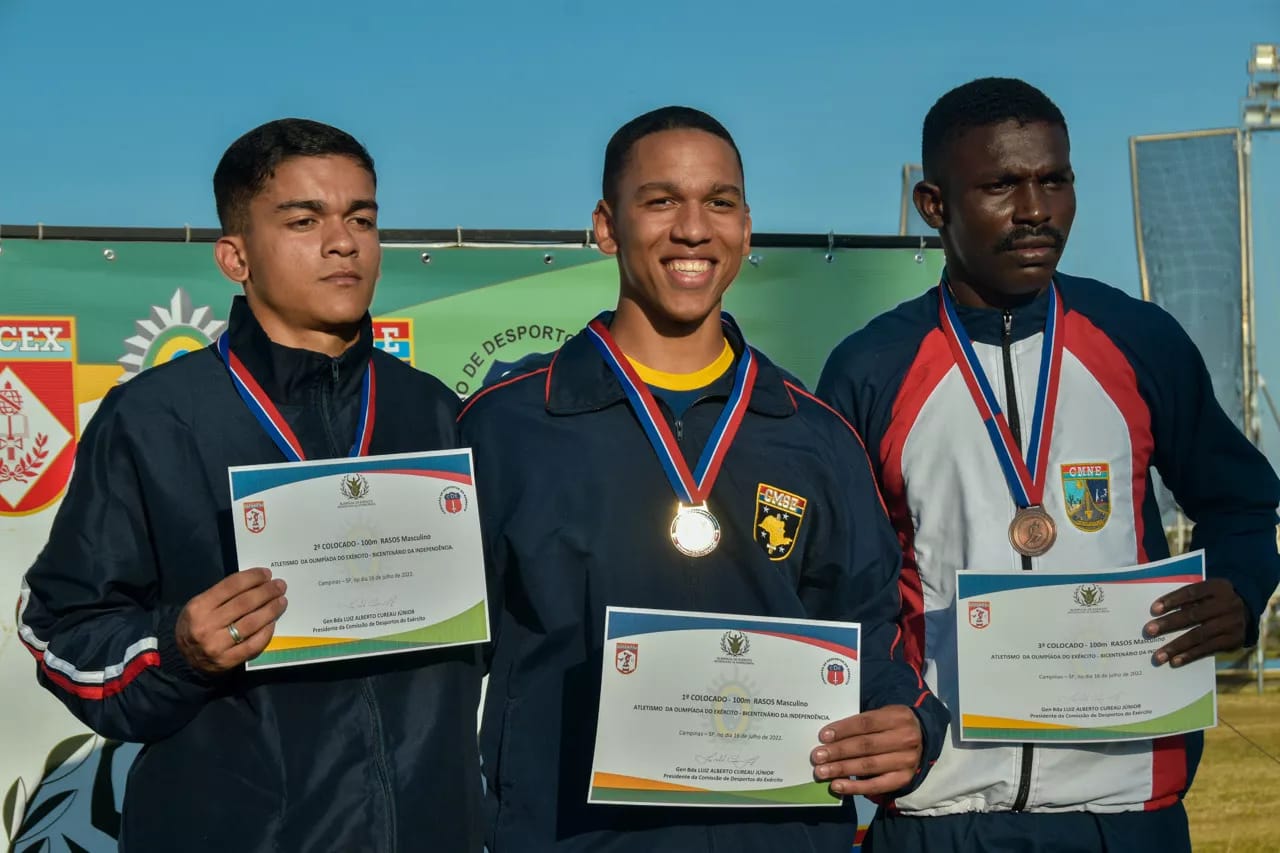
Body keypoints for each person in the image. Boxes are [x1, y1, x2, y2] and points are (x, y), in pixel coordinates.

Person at [458, 105, 949, 852]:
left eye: (718, 202)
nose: (693, 228)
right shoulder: (507, 426)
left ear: (746, 228)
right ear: (605, 226)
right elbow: (443, 670)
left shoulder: (814, 434)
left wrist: (910, 719)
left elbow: (869, 634)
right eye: (660, 201)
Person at [817, 77, 1280, 852]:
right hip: (939, 807)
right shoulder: (872, 367)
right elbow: (840, 581)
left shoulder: (1139, 339)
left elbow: (1240, 500)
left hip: (1126, 807)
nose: (1036, 208)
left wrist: (1238, 584)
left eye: (1054, 179)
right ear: (935, 205)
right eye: (1001, 184)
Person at [18, 118, 484, 852]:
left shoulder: (436, 410)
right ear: (235, 256)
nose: (343, 242)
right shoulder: (156, 417)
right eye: (304, 220)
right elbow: (57, 629)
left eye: (362, 218)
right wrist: (173, 647)